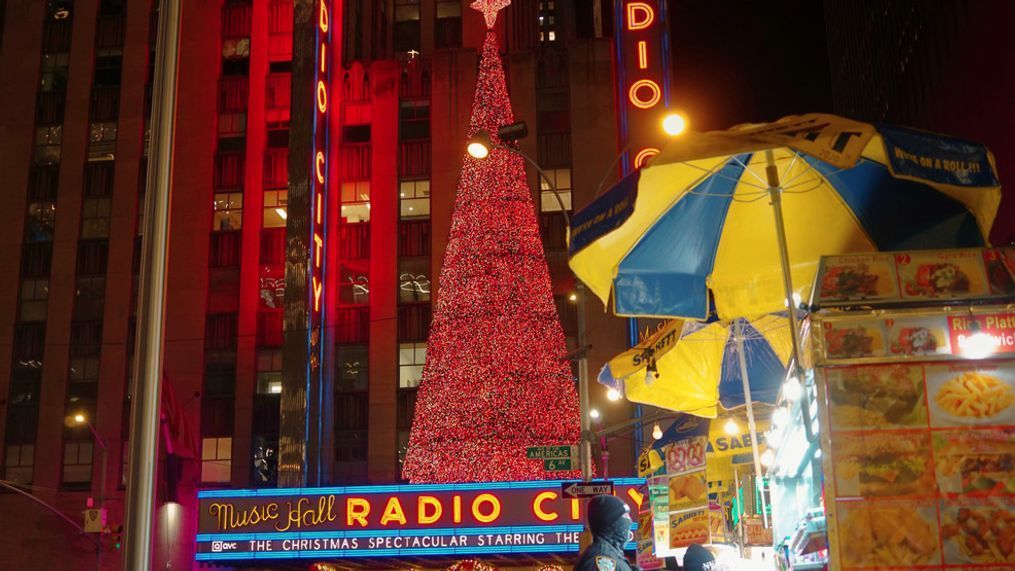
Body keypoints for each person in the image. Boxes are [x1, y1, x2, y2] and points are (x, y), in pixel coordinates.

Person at [575, 495, 634, 571]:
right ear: (612, 523)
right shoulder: (603, 560)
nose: (630, 521)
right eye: (625, 515)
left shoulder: (612, 557)